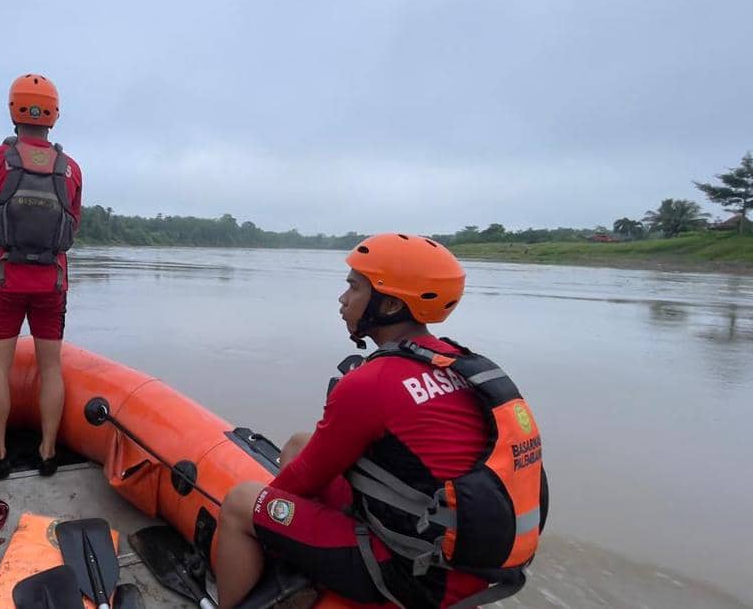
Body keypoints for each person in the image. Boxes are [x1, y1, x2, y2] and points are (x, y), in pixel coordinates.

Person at [214, 234, 549, 609]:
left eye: (354, 287)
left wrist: (266, 520)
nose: (343, 299)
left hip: (417, 576)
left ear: (388, 304)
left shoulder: (372, 382)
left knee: (242, 501)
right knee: (297, 443)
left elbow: (300, 481)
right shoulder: (459, 363)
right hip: (473, 559)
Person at [0, 73, 82, 479]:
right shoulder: (71, 169)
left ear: (13, 109)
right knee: (51, 367)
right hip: (53, 283)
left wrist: (2, 257)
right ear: (54, 114)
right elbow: (73, 227)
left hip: (6, 279)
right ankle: (48, 451)